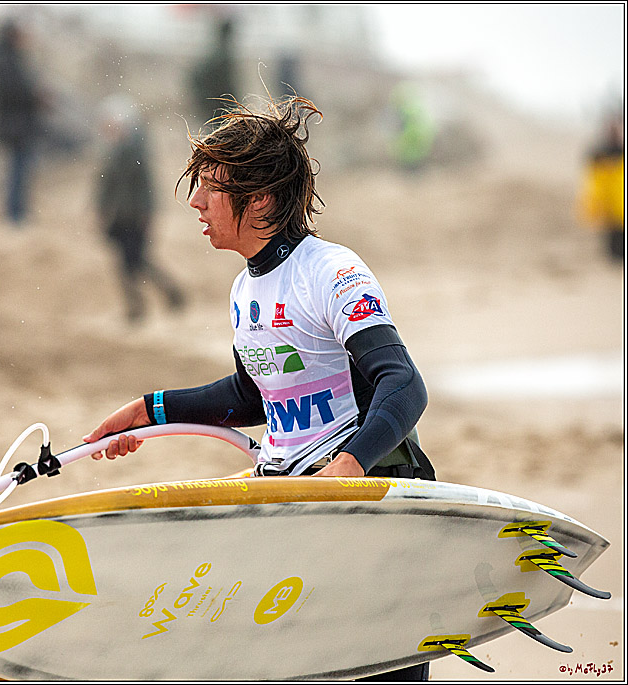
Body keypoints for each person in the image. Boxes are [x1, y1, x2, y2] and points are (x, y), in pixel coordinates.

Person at [83, 97, 434, 681]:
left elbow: (403, 383)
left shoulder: (331, 272)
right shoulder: (245, 289)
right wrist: (149, 410)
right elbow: (252, 396)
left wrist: (344, 472)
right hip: (292, 504)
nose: (195, 202)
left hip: (365, 511)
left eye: (209, 188)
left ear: (262, 199)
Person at [96, 96, 185, 323]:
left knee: (134, 262)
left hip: (133, 217)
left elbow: (146, 187)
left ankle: (150, 301)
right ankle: (154, 300)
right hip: (120, 217)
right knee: (131, 263)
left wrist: (147, 214)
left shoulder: (134, 153)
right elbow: (105, 186)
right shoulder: (113, 151)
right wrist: (101, 210)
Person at [0, 19, 47, 228]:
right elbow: (14, 92)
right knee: (18, 170)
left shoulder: (7, 58)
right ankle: (15, 215)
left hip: (18, 124)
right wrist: (35, 96)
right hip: (17, 125)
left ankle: (16, 213)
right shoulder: (6, 60)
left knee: (20, 169)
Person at [578, 110, 624, 262]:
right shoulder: (599, 152)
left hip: (620, 200)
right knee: (612, 236)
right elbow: (593, 178)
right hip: (610, 202)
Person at [189, 17, 238, 128]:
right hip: (219, 107)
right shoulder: (223, 56)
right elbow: (227, 85)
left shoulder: (215, 53)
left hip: (214, 106)